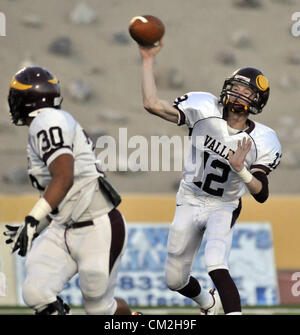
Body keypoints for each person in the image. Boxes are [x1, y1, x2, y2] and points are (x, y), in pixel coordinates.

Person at [137, 41, 281, 315]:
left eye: (246, 90)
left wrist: (241, 169)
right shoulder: (204, 107)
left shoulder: (263, 139)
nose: (238, 93)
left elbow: (261, 194)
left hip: (224, 204)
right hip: (190, 197)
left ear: (257, 100)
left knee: (215, 261)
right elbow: (151, 104)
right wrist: (147, 59)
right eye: (235, 86)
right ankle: (209, 303)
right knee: (174, 280)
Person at [3, 66, 132, 315]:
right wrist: (37, 226)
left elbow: (64, 177)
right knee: (36, 292)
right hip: (63, 227)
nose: (13, 102)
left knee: (100, 310)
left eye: (16, 97)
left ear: (29, 99)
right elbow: (62, 194)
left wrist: (33, 219)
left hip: (96, 226)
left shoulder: (46, 121)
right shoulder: (45, 125)